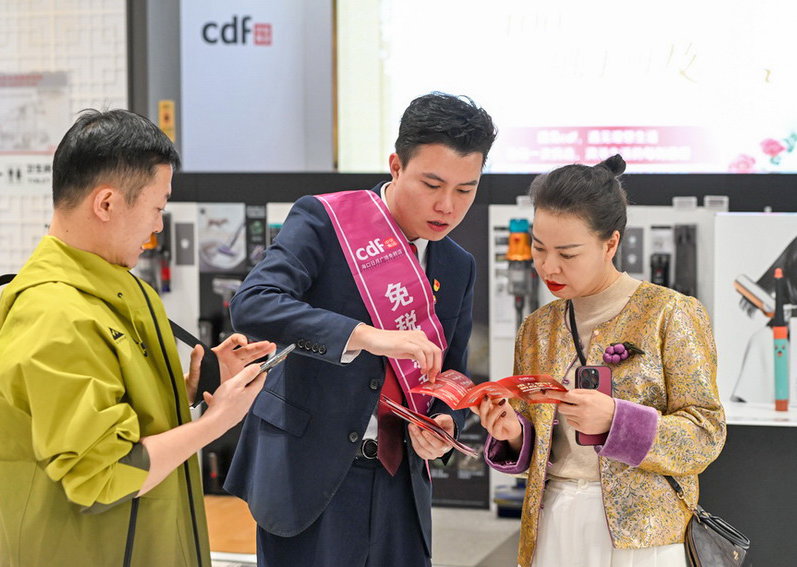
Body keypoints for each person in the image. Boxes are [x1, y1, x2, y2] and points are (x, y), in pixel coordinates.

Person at [0, 109, 274, 567]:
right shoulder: (54, 316)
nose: (158, 227)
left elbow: (116, 419)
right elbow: (100, 474)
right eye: (157, 209)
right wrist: (216, 423)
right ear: (106, 204)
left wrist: (189, 391)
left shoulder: (121, 288)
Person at [225, 92, 498, 567]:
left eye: (465, 190)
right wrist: (365, 335)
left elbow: (452, 372)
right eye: (432, 184)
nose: (447, 206)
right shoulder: (327, 221)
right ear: (396, 165)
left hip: (400, 484)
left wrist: (446, 421)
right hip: (307, 475)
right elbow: (254, 303)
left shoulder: (457, 264)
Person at [476, 154, 726, 567]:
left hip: (642, 534)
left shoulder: (669, 313)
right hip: (551, 520)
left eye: (568, 254)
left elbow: (705, 435)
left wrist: (616, 420)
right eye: (539, 248)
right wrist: (513, 433)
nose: (548, 266)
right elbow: (538, 442)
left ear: (610, 243)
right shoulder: (537, 329)